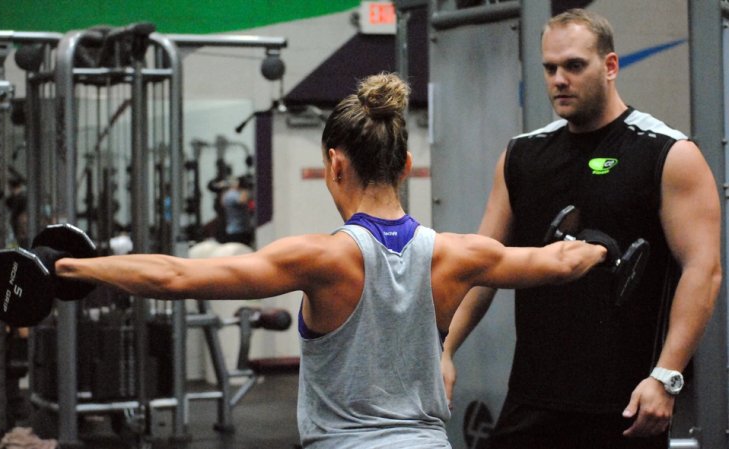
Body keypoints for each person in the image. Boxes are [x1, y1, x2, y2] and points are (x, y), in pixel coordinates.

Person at [47, 73, 605, 448]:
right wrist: (602, 247)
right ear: (406, 164)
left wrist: (71, 268)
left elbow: (174, 276)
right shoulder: (459, 253)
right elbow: (557, 263)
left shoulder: (320, 258)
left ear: (336, 165)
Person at [440, 9, 721, 449]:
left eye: (574, 65)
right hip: (533, 398)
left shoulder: (669, 154)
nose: (559, 79)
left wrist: (666, 376)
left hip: (626, 404)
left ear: (610, 66)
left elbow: (703, 271)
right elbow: (481, 266)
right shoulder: (522, 157)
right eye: (550, 68)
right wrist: (445, 348)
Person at [220, 174, 254, 246]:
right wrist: (244, 188)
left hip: (241, 230)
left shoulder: (230, 194)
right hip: (237, 231)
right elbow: (242, 200)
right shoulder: (232, 194)